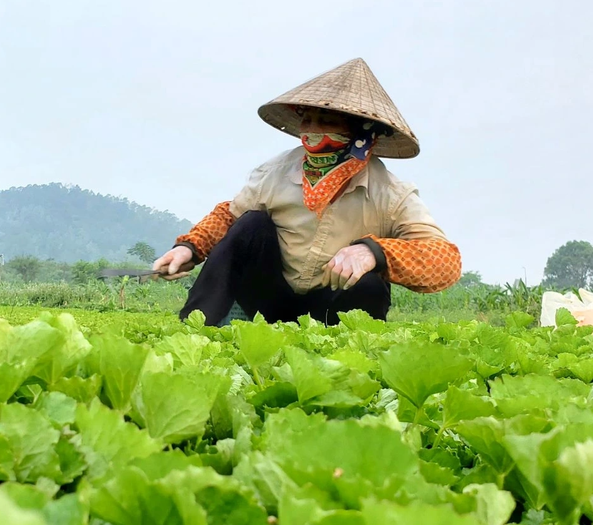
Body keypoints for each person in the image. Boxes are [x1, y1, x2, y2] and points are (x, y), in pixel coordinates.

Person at [153, 58, 461, 327]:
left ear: (359, 132)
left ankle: (347, 353)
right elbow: (228, 216)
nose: (312, 130)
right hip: (271, 297)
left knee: (370, 282)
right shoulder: (276, 171)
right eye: (308, 119)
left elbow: (445, 261)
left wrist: (373, 252)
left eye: (326, 121)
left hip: (333, 308)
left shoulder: (391, 194)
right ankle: (197, 326)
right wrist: (190, 249)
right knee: (250, 224)